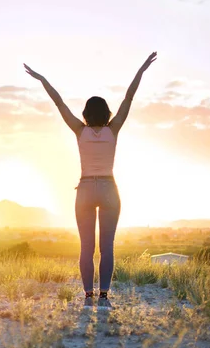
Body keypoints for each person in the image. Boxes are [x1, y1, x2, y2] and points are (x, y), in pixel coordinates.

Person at [24, 52, 157, 309]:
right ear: (107, 112)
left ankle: (87, 297)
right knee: (107, 247)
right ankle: (104, 297)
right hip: (109, 188)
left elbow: (59, 103)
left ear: (85, 113)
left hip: (85, 188)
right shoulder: (113, 129)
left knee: (86, 247)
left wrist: (41, 79)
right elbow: (129, 97)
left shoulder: (79, 130)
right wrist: (141, 69)